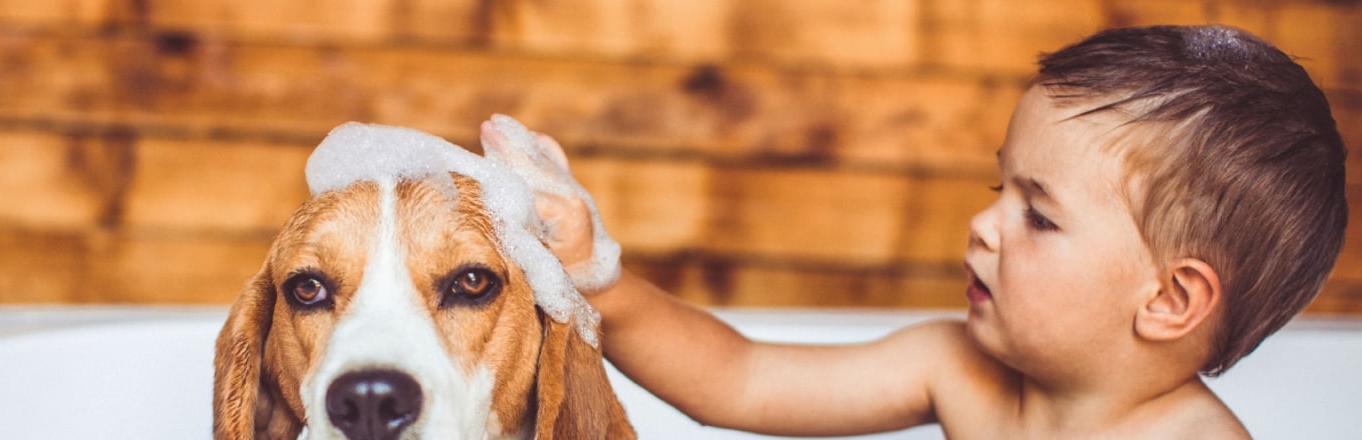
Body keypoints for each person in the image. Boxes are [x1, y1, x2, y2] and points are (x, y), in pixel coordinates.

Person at [513, 24, 1349, 438]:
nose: (984, 224)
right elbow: (744, 377)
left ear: (1169, 299)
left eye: (1039, 215)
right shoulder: (960, 368)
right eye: (1000, 187)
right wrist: (601, 282)